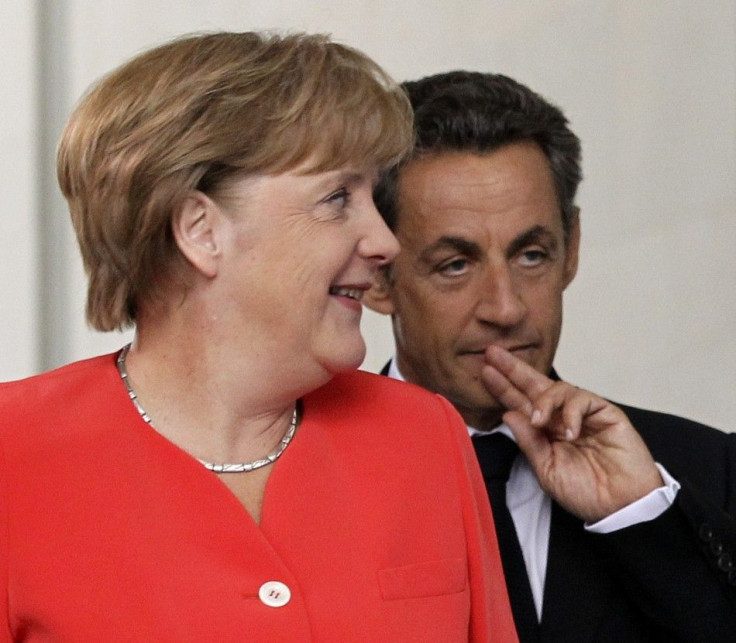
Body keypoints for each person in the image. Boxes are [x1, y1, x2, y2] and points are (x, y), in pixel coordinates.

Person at [0, 38, 518, 641]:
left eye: (372, 199)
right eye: (336, 199)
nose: (385, 242)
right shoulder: (12, 455)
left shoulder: (425, 435)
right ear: (201, 231)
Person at [365, 70, 736, 640]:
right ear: (377, 276)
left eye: (532, 255)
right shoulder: (289, 484)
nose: (506, 307)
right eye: (455, 265)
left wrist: (640, 521)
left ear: (572, 250)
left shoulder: (703, 471)